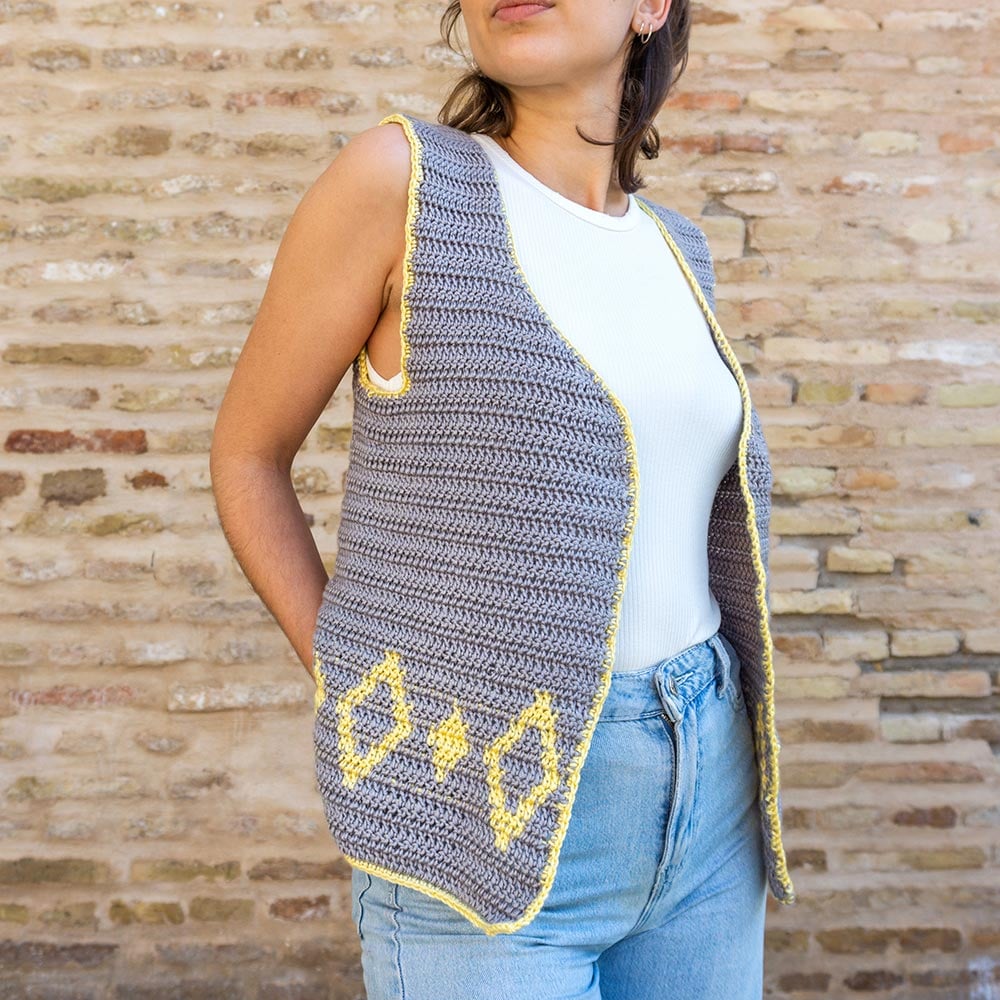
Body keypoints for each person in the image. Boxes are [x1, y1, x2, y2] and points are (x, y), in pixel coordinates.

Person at [209, 0, 796, 994]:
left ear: (651, 7)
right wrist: (356, 684)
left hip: (708, 798)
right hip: (473, 804)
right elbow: (247, 454)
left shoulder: (676, 247)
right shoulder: (403, 185)